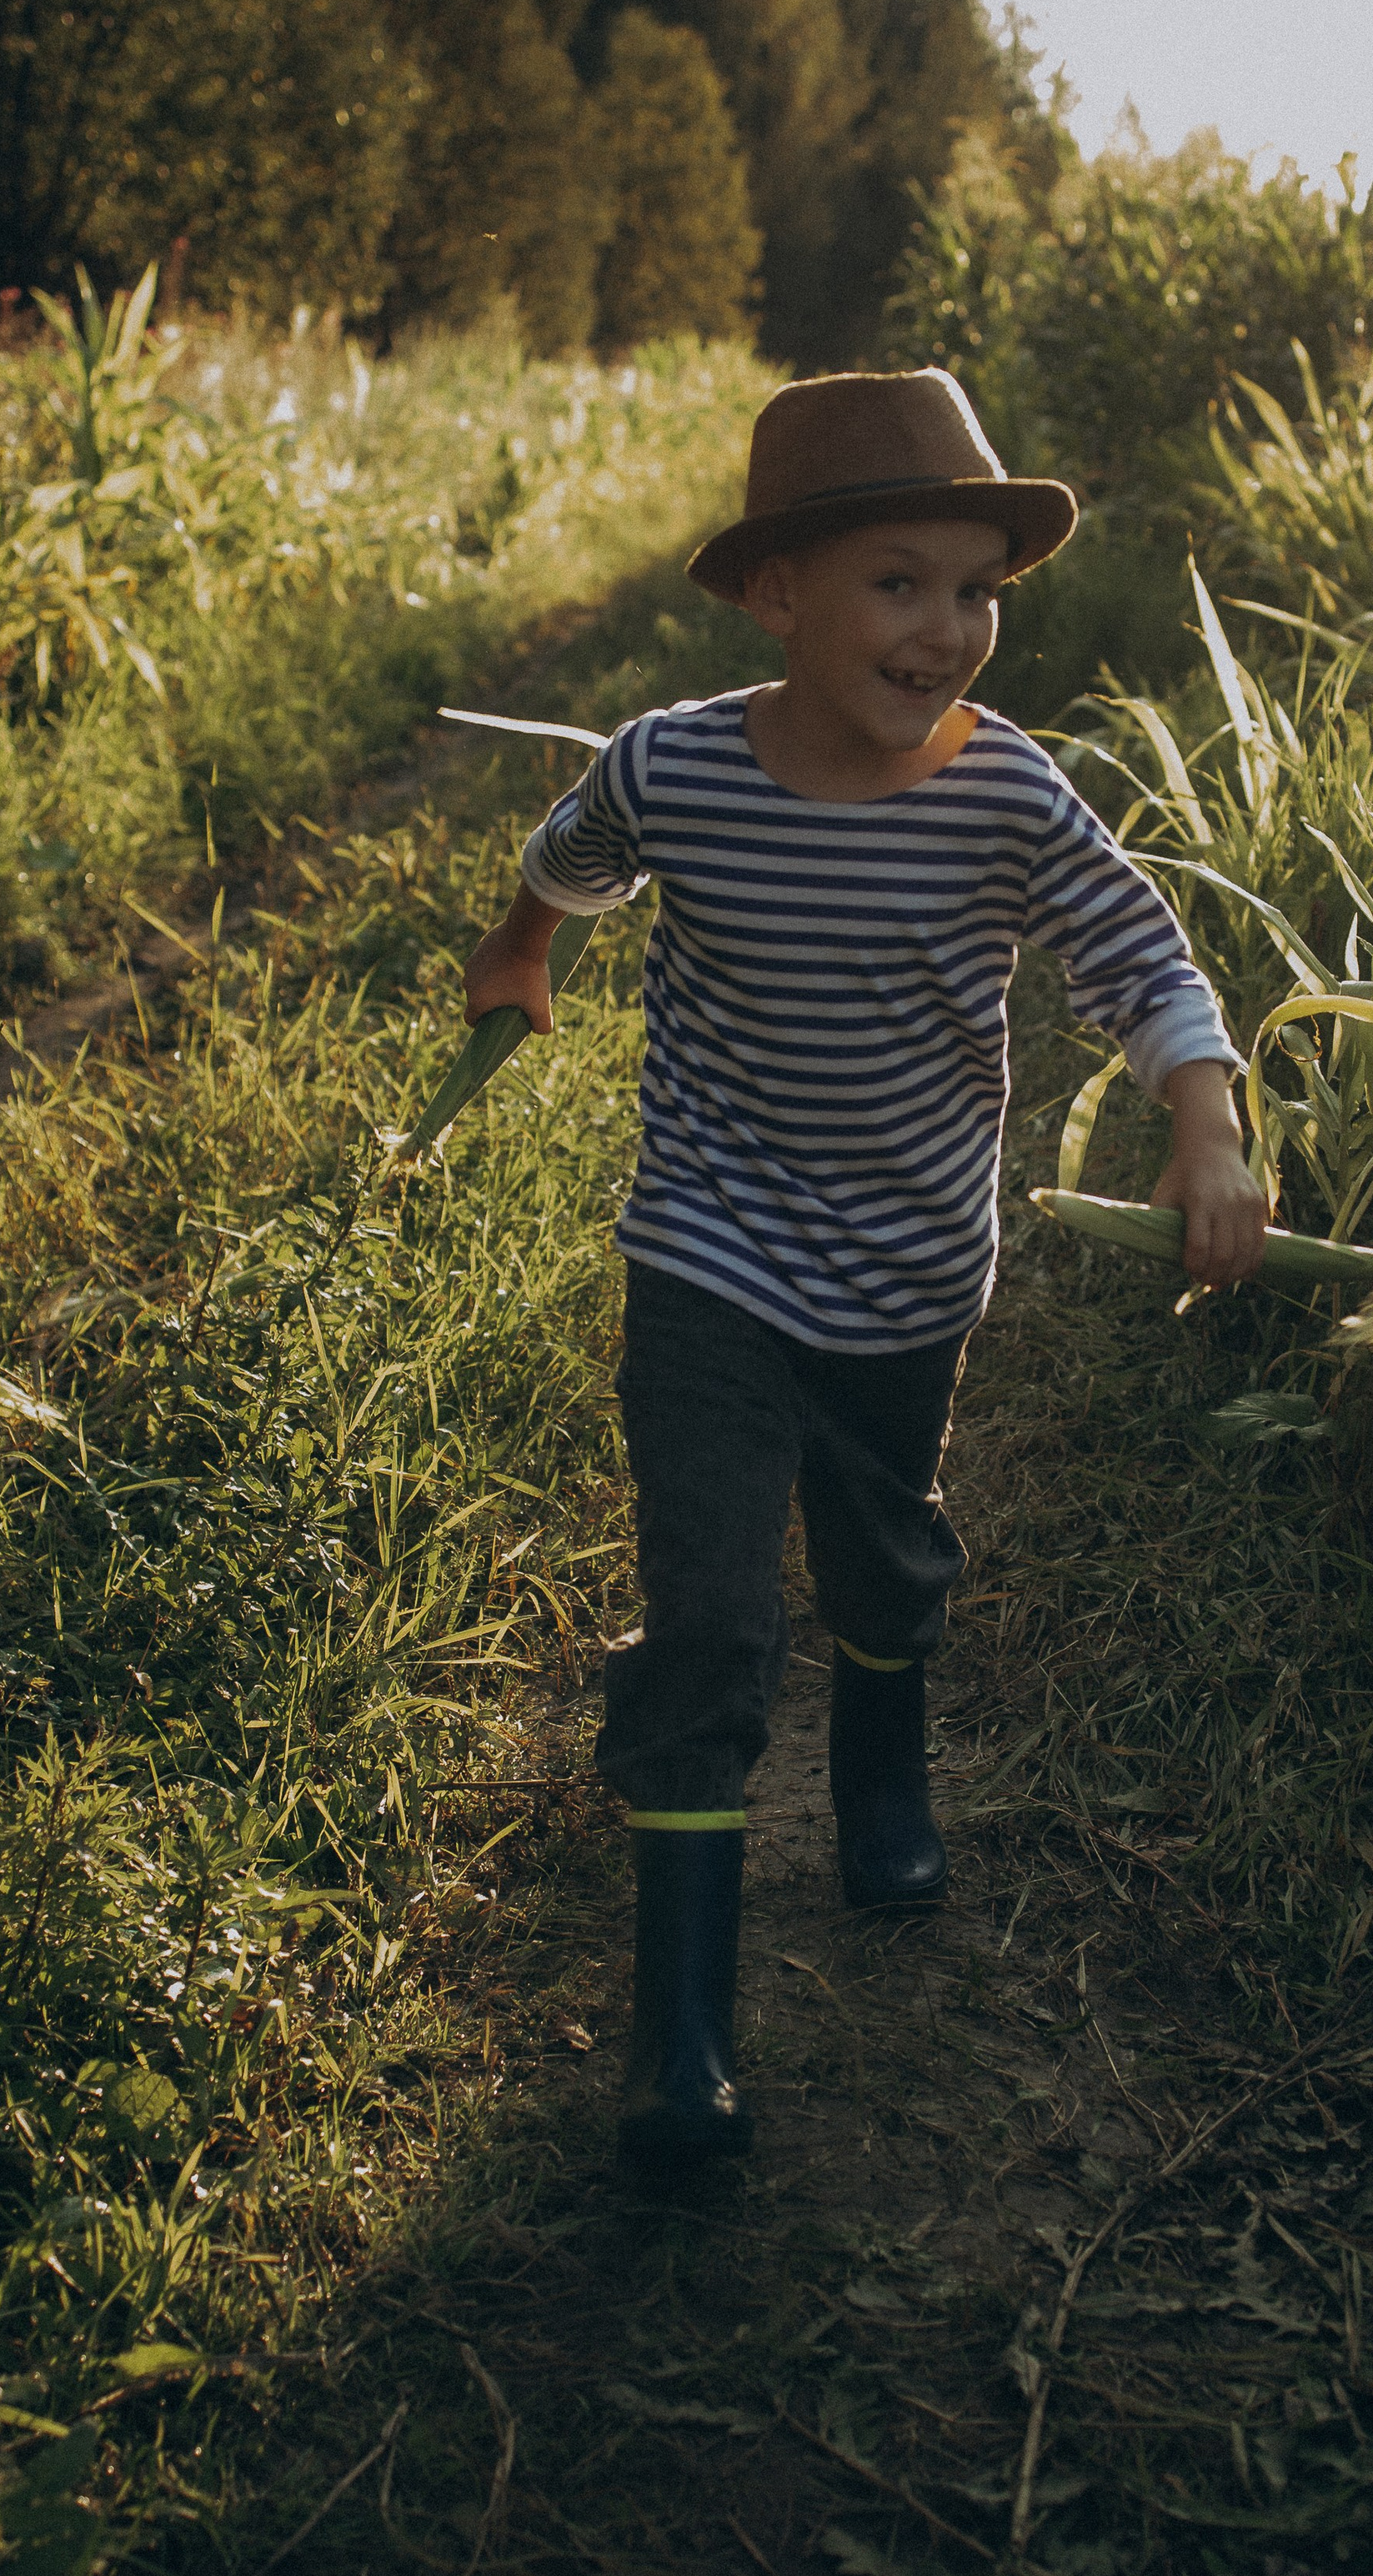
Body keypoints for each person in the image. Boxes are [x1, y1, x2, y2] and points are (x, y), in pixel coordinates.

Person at [462, 369, 1265, 2171]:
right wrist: (518, 953)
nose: (948, 629)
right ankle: (681, 2043)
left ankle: (882, 1772)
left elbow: (1141, 967)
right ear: (778, 595)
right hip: (709, 1255)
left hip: (906, 1270)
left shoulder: (1008, 800)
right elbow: (567, 866)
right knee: (714, 1616)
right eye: (898, 582)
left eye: (975, 591)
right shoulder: (670, 764)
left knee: (881, 1555)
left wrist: (1202, 1123)